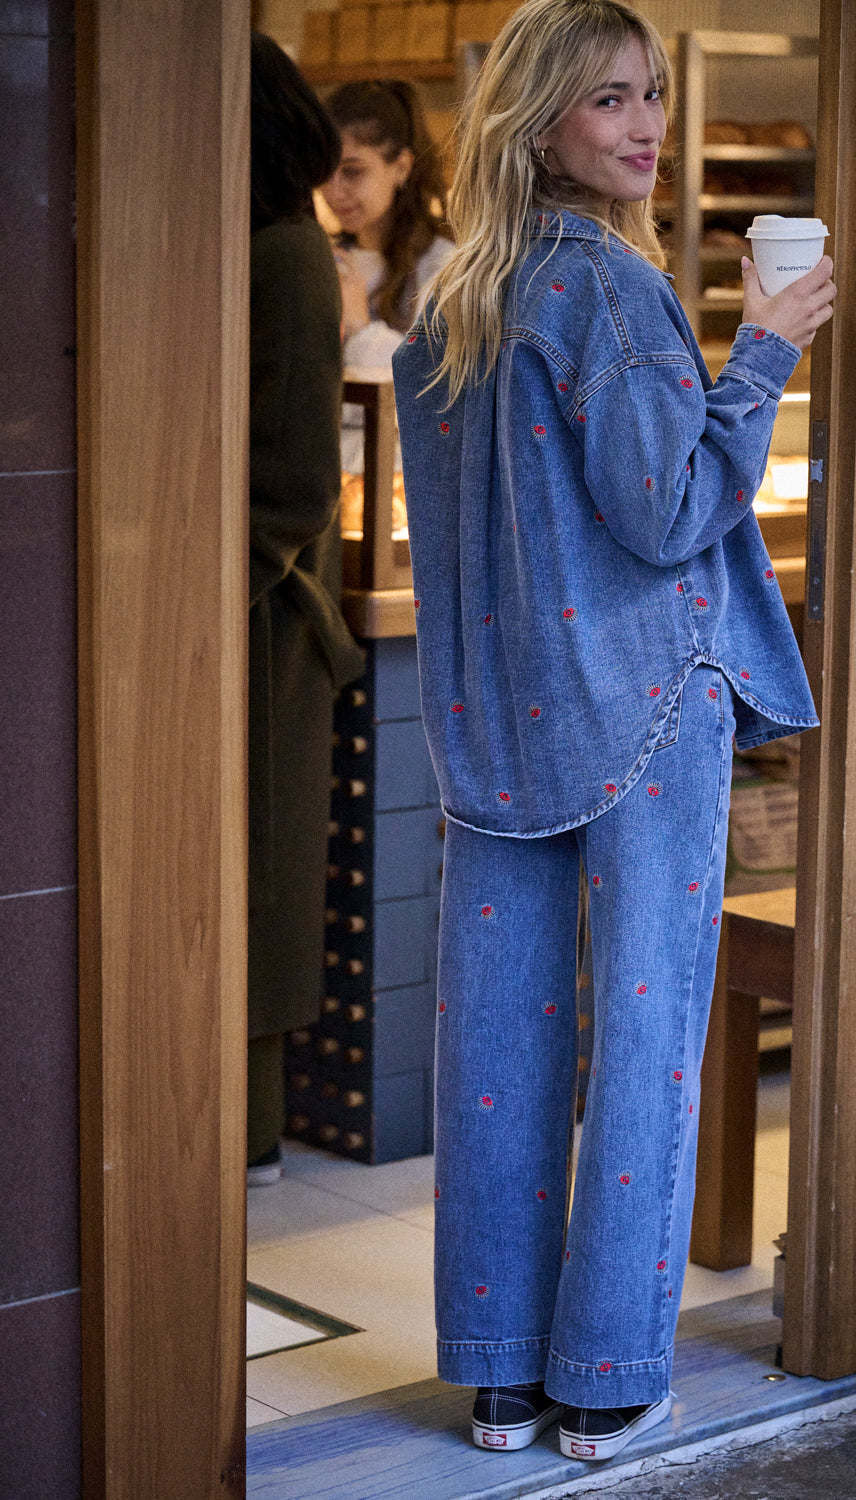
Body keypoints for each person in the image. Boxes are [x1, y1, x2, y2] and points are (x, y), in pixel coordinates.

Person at [392, 0, 835, 1464]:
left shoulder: (454, 299)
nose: (645, 124)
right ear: (539, 127)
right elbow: (668, 511)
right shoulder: (615, 289)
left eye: (649, 93)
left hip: (498, 723)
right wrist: (763, 350)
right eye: (609, 100)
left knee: (497, 1043)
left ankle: (504, 1381)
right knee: (645, 1036)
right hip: (644, 701)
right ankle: (605, 1378)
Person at [248, 33, 364, 1185]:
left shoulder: (286, 256)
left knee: (263, 882)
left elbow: (291, 484)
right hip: (232, 615)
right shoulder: (250, 246)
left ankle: (246, 1132)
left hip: (265, 624)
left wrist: (196, 600)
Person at [320, 79, 454, 473]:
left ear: (401, 167)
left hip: (400, 483)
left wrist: (360, 326)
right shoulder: (326, 257)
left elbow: (433, 398)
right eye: (324, 172)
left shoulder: (446, 268)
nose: (334, 191)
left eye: (352, 172)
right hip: (330, 475)